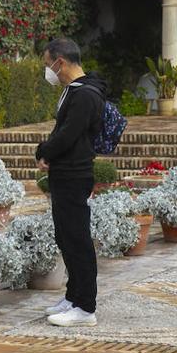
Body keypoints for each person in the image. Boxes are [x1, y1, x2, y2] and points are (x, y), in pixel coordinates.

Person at [35, 38, 105, 327]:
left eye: (47, 64)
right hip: (63, 173)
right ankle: (73, 296)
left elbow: (68, 135)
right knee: (65, 236)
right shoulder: (72, 91)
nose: (47, 70)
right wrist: (47, 153)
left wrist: (44, 151)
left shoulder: (85, 95)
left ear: (59, 62)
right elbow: (61, 130)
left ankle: (86, 307)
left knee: (78, 239)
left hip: (75, 174)